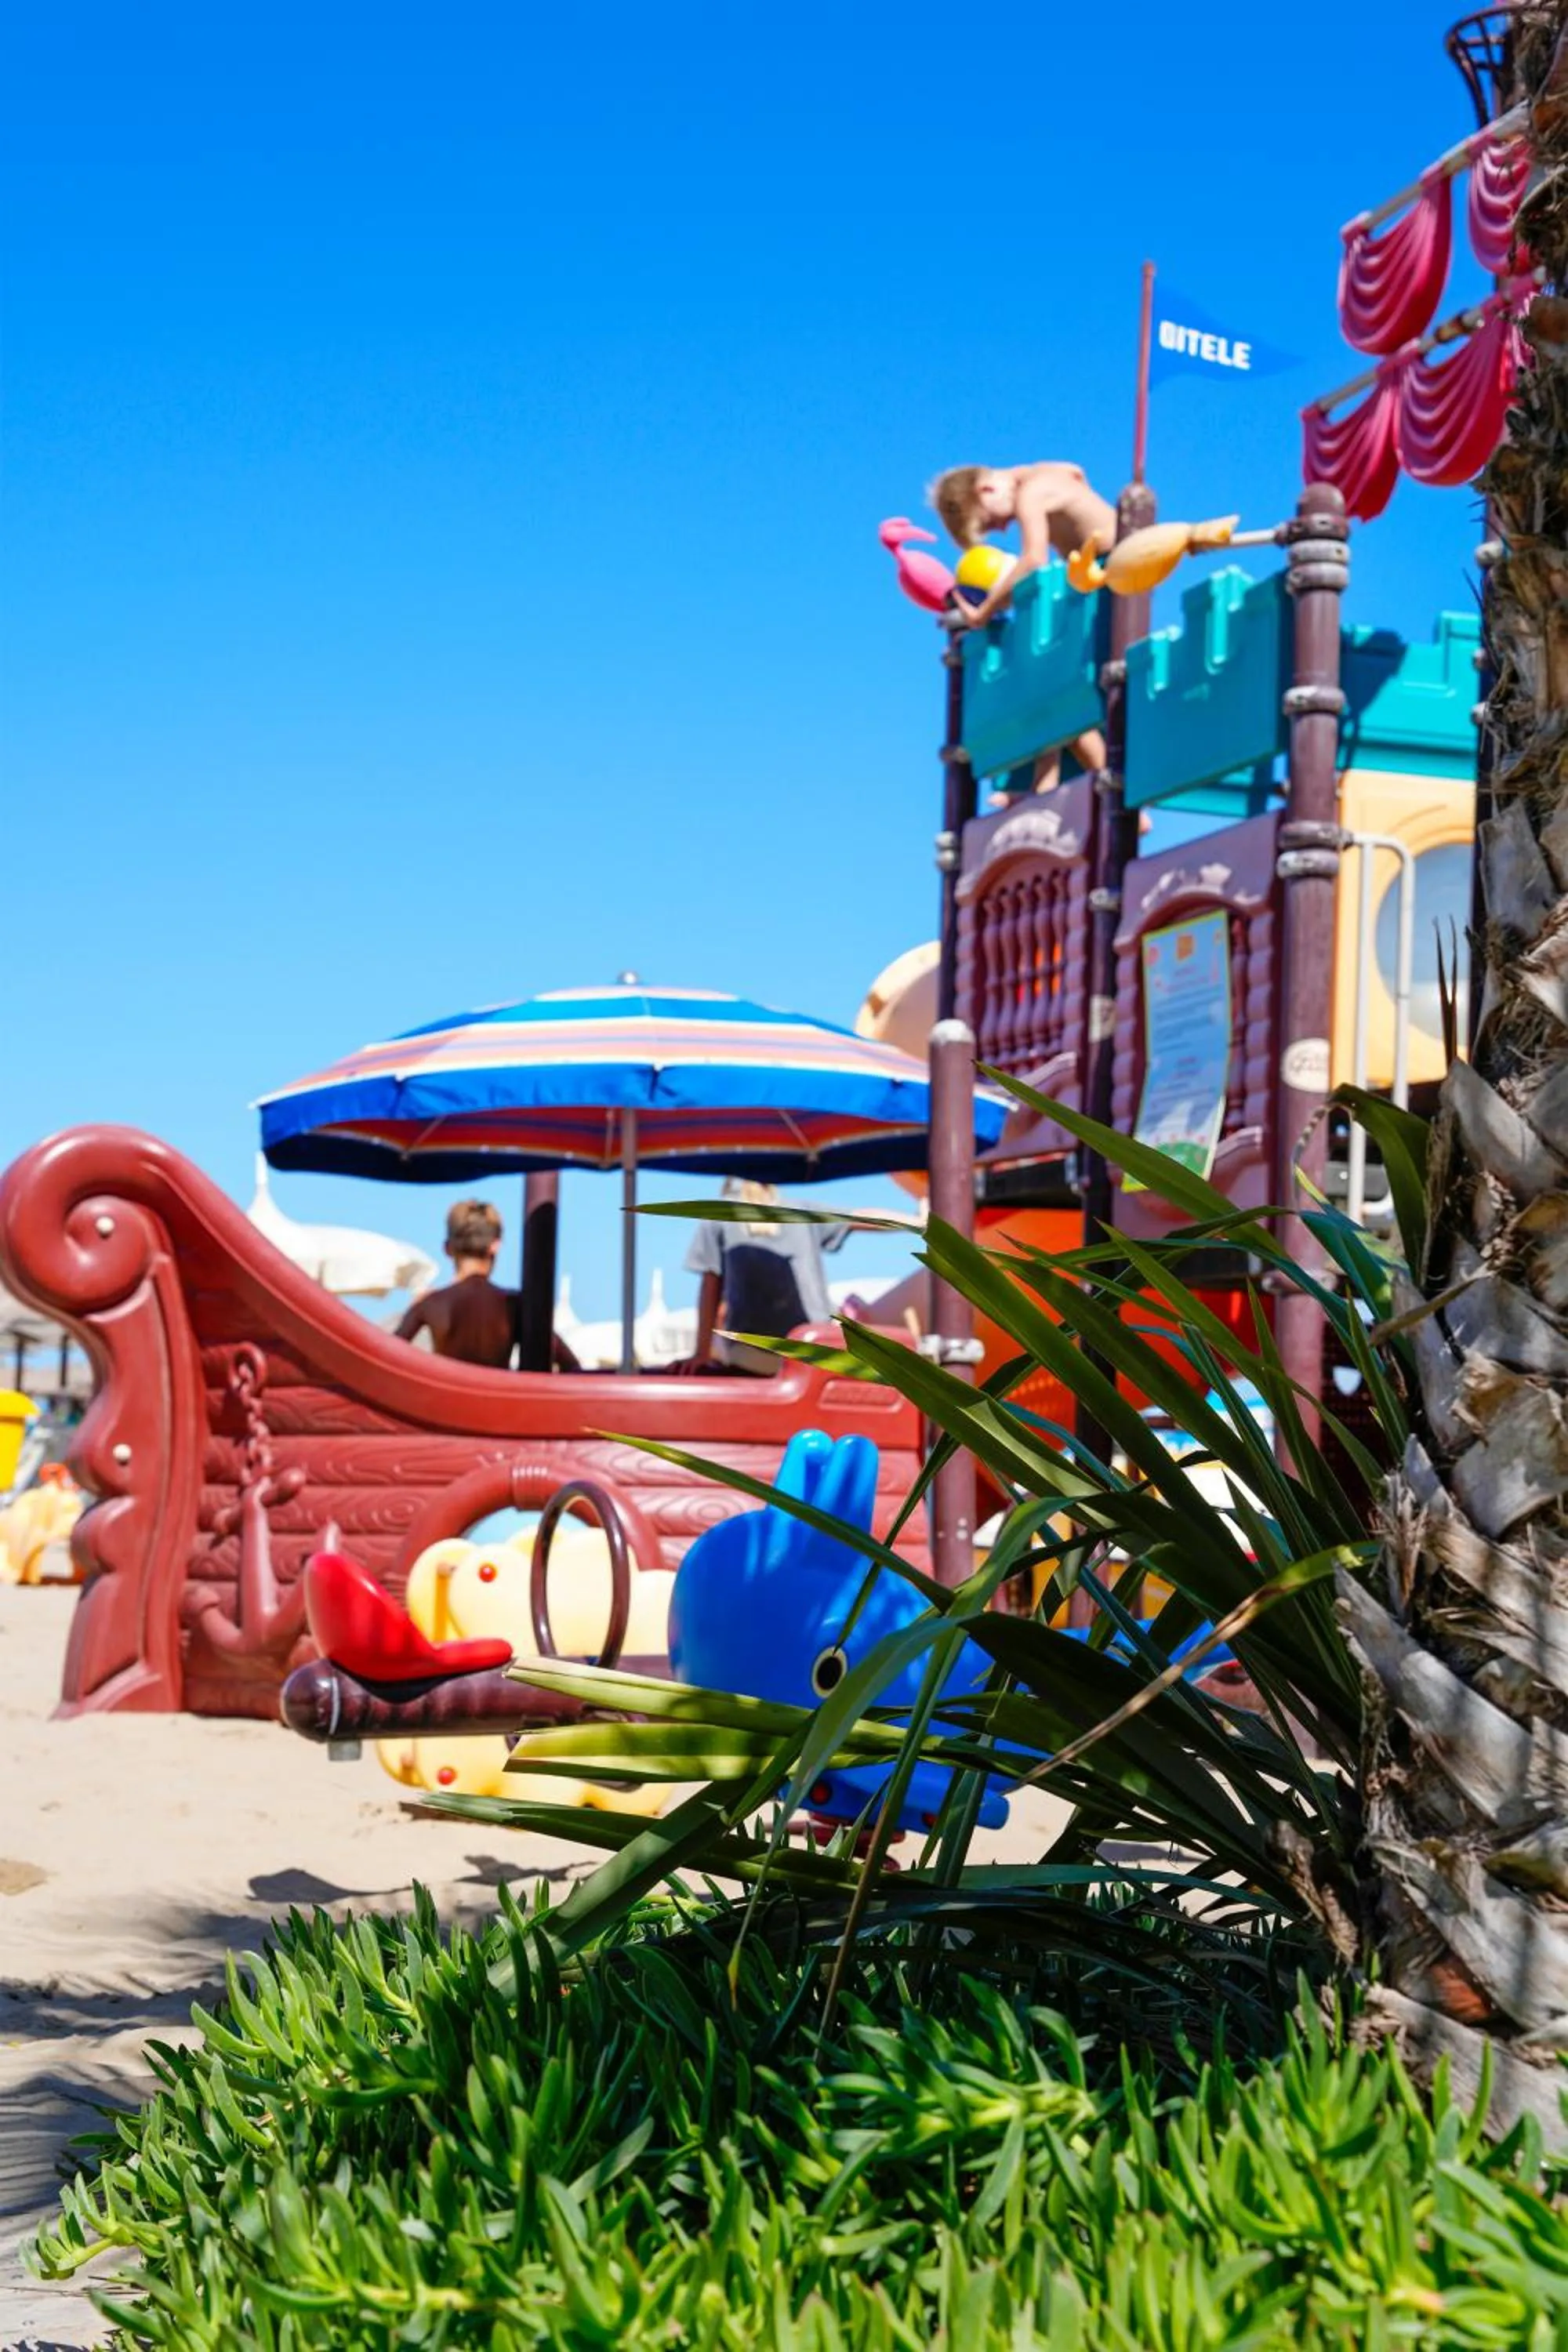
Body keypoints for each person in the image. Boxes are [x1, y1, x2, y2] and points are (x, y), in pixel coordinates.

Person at [675, 1180, 847, 1375]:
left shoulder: (719, 1215)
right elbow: (867, 1218)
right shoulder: (801, 1210)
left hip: (749, 1355)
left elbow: (710, 1289)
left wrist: (701, 1352)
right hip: (813, 1350)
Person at [929, 462, 1118, 633]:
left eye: (991, 522)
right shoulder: (1045, 473)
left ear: (986, 490)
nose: (1003, 529)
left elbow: (1034, 560)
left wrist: (984, 612)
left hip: (1117, 557)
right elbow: (1076, 471)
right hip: (1105, 565)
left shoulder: (1029, 495)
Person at [396, 1199, 579, 1371]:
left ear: (447, 1249)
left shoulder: (430, 1303)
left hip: (446, 1402)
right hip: (499, 1402)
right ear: (496, 1245)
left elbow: (390, 1357)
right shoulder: (515, 1304)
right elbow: (570, 1364)